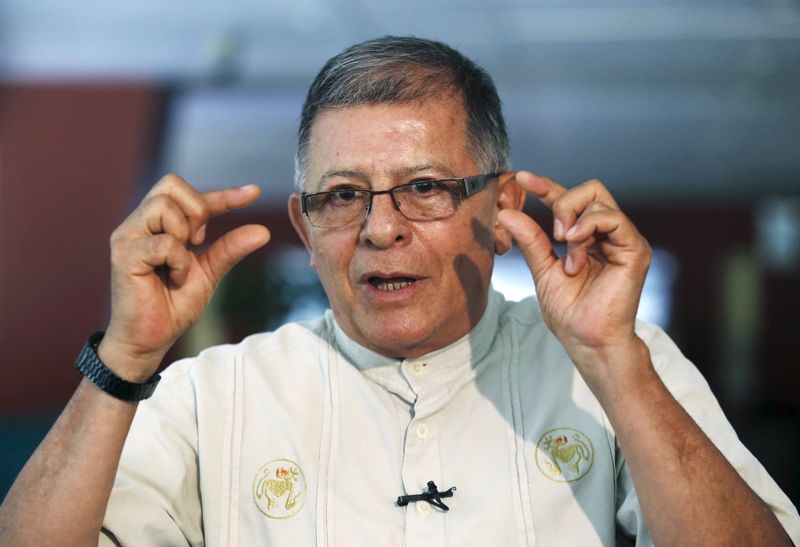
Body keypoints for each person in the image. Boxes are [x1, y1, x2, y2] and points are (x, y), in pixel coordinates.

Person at [0, 36, 797, 546]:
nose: (380, 228)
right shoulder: (215, 392)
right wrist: (125, 354)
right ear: (305, 229)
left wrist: (613, 362)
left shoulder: (620, 366)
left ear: (502, 207)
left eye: (423, 185)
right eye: (342, 194)